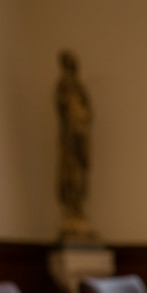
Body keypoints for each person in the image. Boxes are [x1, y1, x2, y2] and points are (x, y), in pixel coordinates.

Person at [56, 50, 95, 241]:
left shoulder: (79, 89)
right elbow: (64, 109)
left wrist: (81, 123)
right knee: (70, 177)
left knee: (80, 177)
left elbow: (88, 112)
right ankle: (72, 214)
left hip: (80, 139)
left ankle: (78, 213)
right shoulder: (63, 88)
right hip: (70, 140)